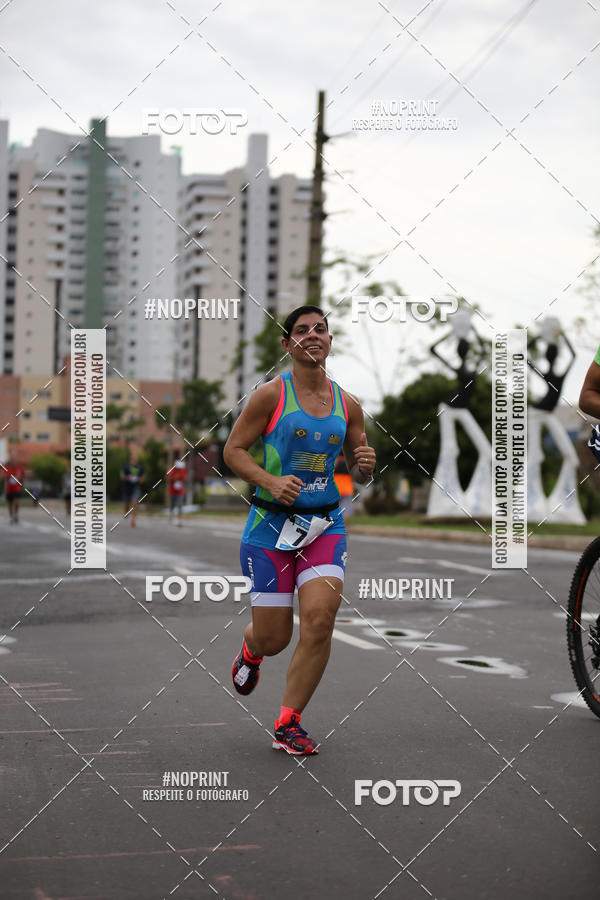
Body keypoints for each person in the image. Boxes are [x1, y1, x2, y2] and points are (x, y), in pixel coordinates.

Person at [223, 306, 376, 755]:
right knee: (276, 638)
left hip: (325, 526)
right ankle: (252, 648)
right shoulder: (271, 396)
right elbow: (234, 451)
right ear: (288, 344)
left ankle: (288, 722)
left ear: (329, 341)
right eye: (302, 330)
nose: (314, 335)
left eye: (321, 329)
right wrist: (269, 481)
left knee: (320, 620)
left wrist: (365, 466)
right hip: (270, 527)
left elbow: (359, 465)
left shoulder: (348, 404)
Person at [120, 454, 145, 527]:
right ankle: (126, 511)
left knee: (135, 503)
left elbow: (143, 478)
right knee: (126, 504)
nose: (135, 459)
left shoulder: (140, 468)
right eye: (134, 457)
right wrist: (128, 477)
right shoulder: (126, 467)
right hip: (127, 488)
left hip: (136, 488)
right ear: (131, 458)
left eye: (136, 458)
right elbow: (122, 477)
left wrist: (139, 479)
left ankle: (133, 520)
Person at [2, 456, 25, 524]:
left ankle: (16, 515)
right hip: (9, 489)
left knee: (16, 502)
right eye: (12, 460)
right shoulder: (7, 468)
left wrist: (19, 477)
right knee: (10, 504)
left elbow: (23, 475)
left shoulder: (19, 468)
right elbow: (4, 476)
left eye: (15, 460)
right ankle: (11, 516)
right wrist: (8, 476)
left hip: (17, 488)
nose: (13, 462)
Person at [168, 458, 186, 526]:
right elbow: (168, 478)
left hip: (180, 491)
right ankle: (171, 515)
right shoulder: (172, 470)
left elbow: (184, 477)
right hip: (172, 491)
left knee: (180, 505)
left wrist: (178, 477)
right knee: (172, 505)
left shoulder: (183, 471)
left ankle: (180, 520)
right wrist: (173, 478)